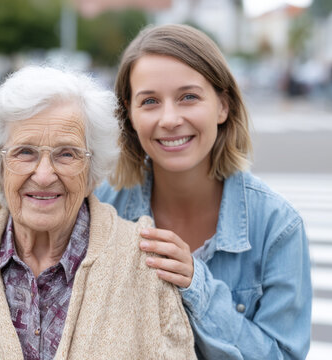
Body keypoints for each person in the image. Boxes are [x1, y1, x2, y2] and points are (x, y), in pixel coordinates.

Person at [0, 66, 196, 359]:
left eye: (67, 154)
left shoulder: (145, 264)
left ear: (91, 169)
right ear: (0, 164)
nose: (44, 175)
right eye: (24, 152)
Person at [94, 24, 312, 359]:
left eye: (189, 97)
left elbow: (284, 354)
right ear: (130, 116)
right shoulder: (101, 210)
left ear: (223, 106)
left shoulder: (277, 226)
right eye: (150, 101)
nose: (169, 119)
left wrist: (198, 285)